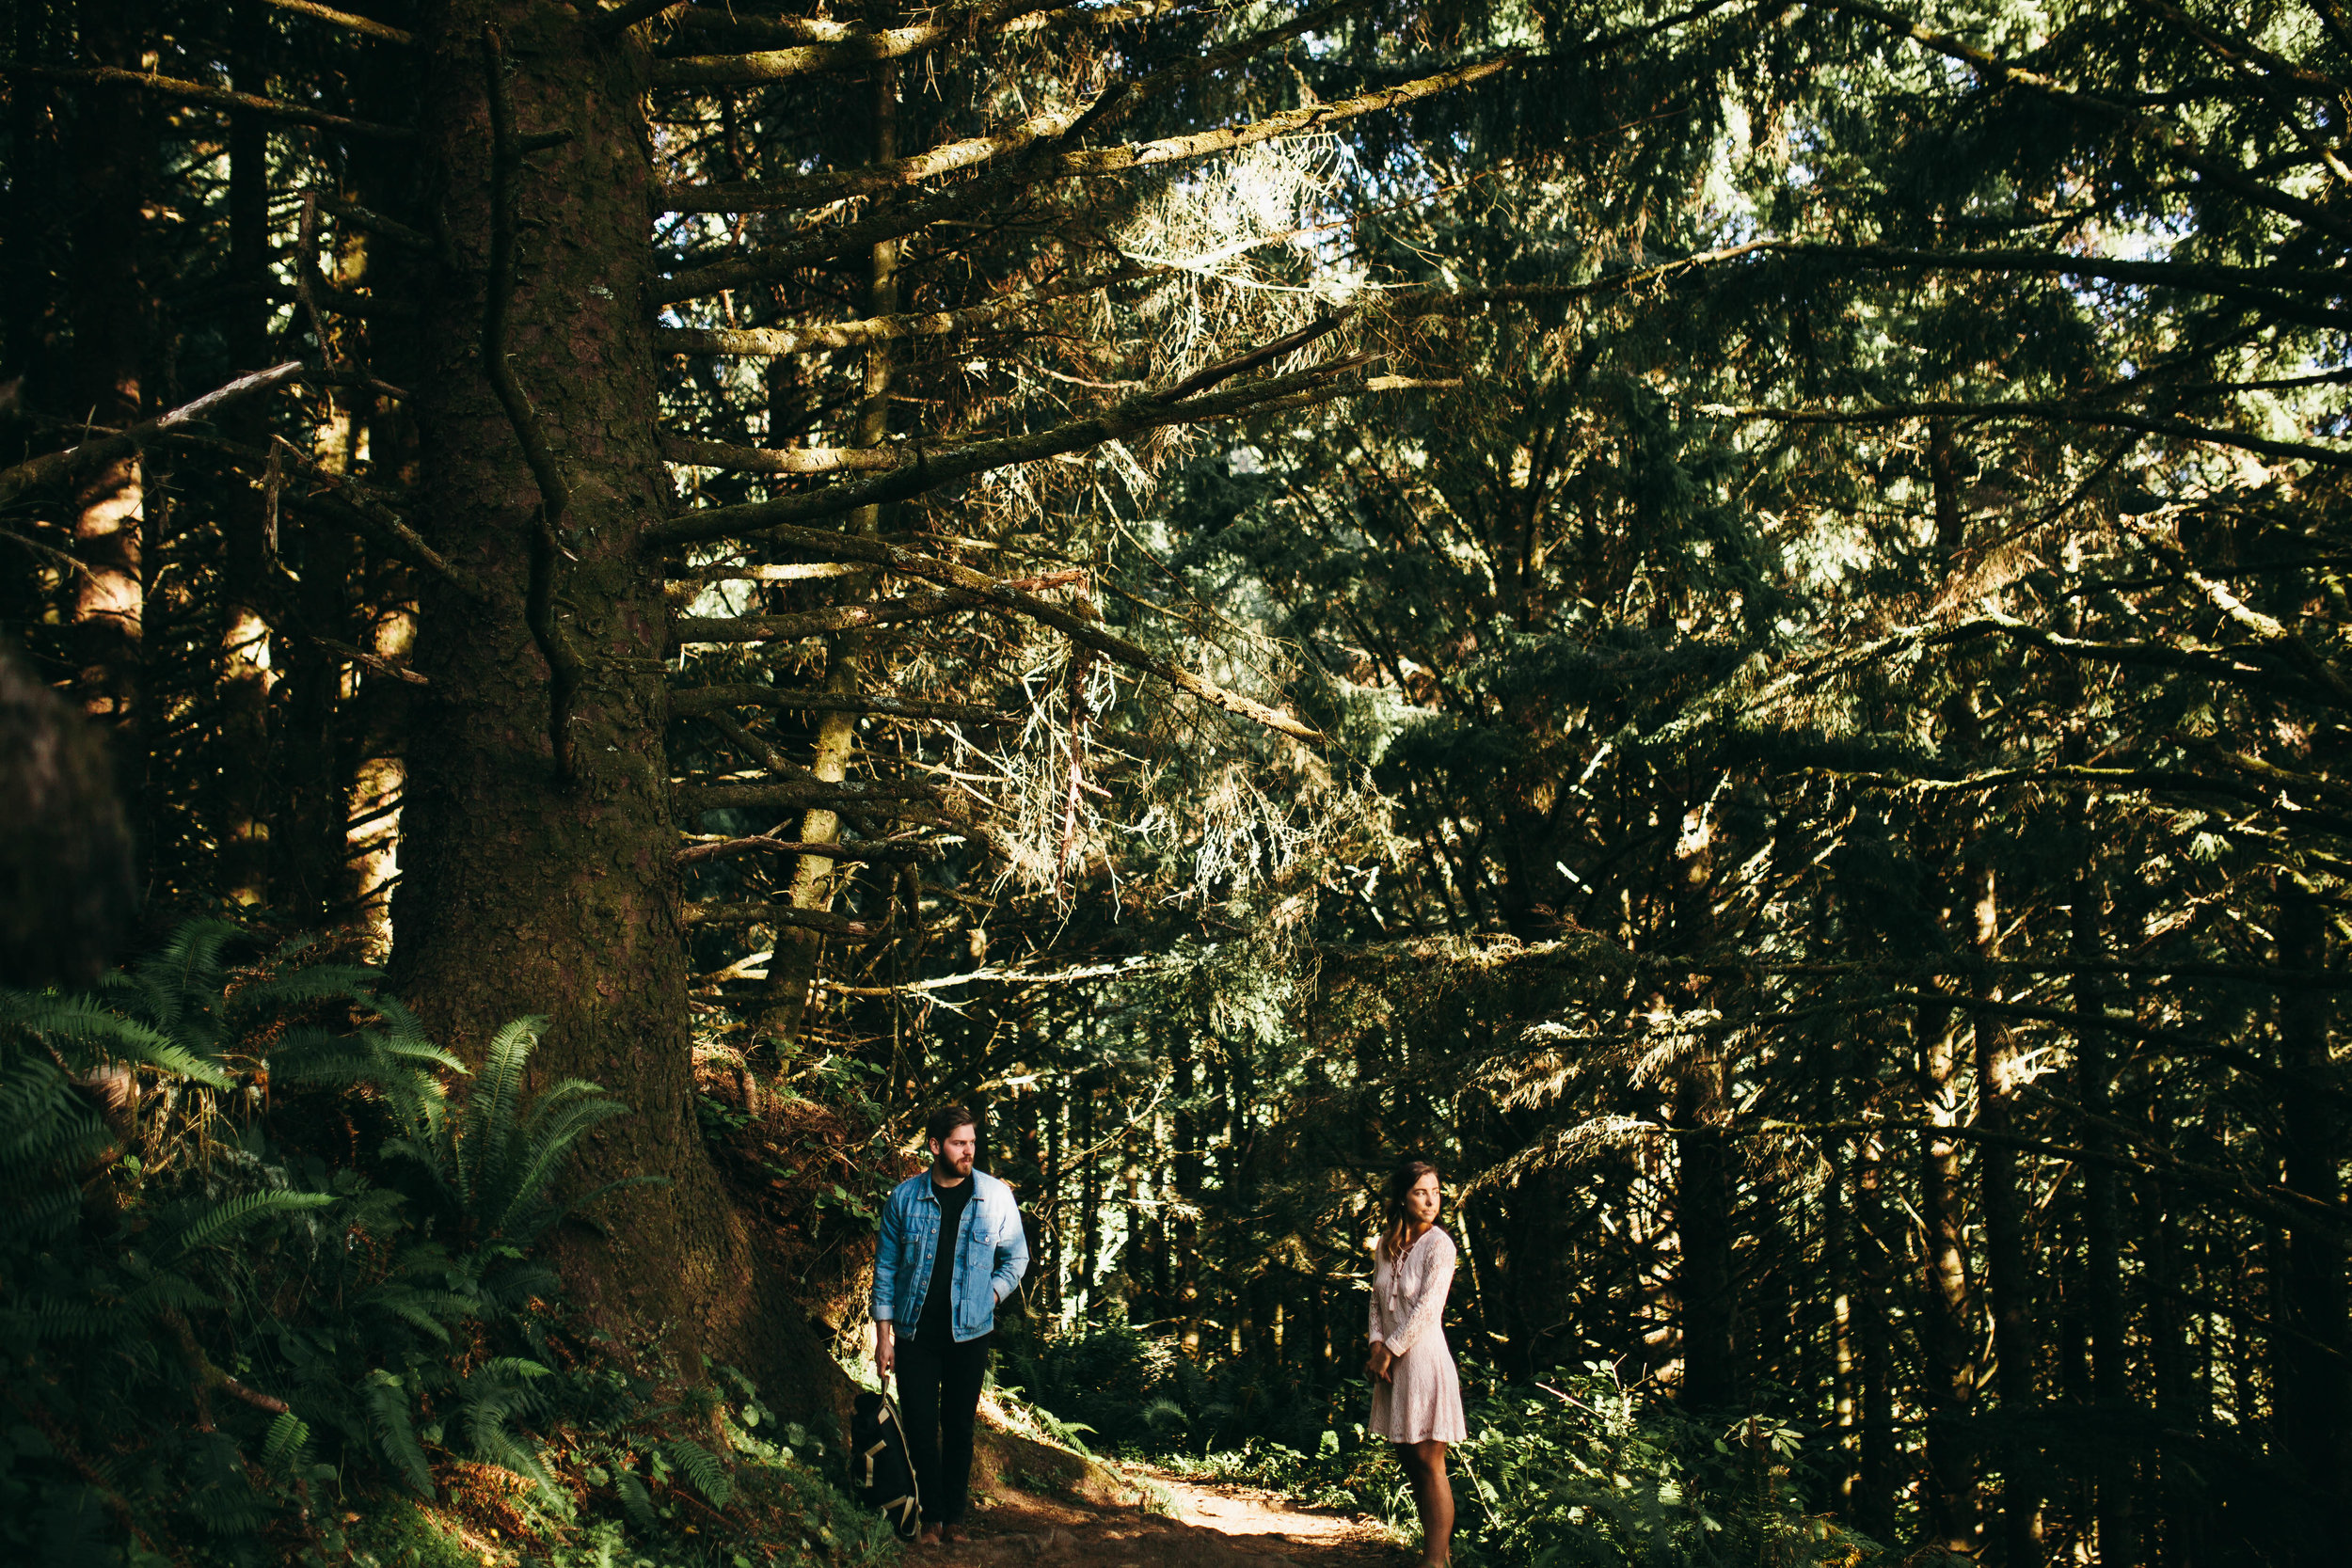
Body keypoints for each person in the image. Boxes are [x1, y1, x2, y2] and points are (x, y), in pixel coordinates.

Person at [873, 1105, 1029, 1547]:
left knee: (959, 1426)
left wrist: (990, 1296)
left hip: (970, 1334)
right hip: (914, 1334)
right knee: (920, 1426)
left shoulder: (996, 1197)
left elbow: (1016, 1259)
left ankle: (956, 1518)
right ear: (934, 1146)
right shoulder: (904, 1198)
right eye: (959, 1143)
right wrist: (883, 1339)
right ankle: (930, 1519)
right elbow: (885, 1270)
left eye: (972, 1143)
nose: (968, 1152)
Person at [1366, 1158, 1466, 1568]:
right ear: (1403, 1198)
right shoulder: (1386, 1243)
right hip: (1391, 1366)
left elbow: (1428, 1308)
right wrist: (1375, 1344)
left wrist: (1389, 1347)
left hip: (1423, 1360)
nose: (1431, 1200)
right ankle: (1436, 1553)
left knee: (1430, 1460)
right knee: (1409, 1459)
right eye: (1420, 1192)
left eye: (1436, 1192)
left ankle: (1435, 1563)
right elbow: (1376, 1299)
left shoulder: (1440, 1245)